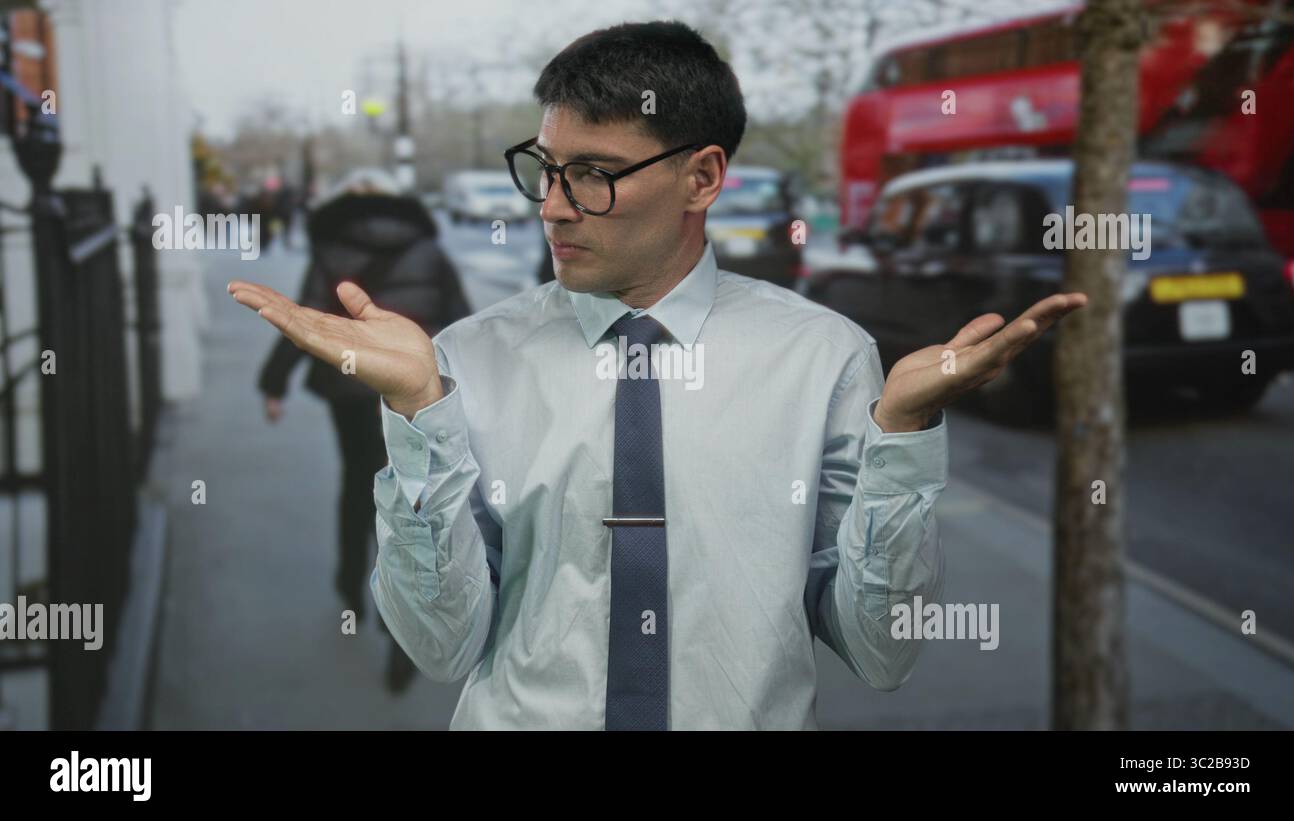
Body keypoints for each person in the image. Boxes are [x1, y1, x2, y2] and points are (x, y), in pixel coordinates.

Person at [230, 21, 1086, 730]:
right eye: (546, 167)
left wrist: (900, 438)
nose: (553, 205)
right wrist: (415, 412)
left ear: (702, 177)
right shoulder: (466, 359)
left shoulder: (824, 358)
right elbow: (439, 646)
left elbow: (882, 650)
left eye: (594, 175)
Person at [255, 167, 472, 693]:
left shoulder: (332, 252)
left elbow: (304, 325)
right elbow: (461, 322)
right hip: (416, 391)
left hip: (351, 392)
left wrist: (274, 382)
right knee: (414, 500)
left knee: (357, 482)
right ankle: (404, 638)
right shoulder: (428, 249)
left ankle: (351, 582)